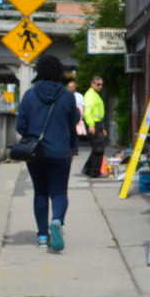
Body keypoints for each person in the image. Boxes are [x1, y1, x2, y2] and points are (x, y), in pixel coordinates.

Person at [15, 55, 79, 251]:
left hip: (35, 153)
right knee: (59, 191)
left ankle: (43, 235)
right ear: (59, 72)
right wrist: (71, 147)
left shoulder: (29, 95)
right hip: (60, 152)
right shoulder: (67, 96)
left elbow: (21, 126)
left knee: (40, 191)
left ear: (39, 72)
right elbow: (73, 124)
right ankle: (57, 220)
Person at [81, 75, 106, 178]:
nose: (100, 86)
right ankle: (94, 171)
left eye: (101, 84)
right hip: (94, 124)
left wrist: (102, 127)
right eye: (98, 84)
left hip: (98, 124)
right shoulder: (90, 95)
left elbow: (98, 112)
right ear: (92, 84)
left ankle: (88, 168)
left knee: (97, 148)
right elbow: (87, 112)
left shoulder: (95, 94)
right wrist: (91, 125)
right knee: (98, 149)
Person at [67, 80, 86, 157]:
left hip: (76, 115)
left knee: (76, 133)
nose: (69, 88)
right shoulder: (66, 95)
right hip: (69, 115)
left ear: (75, 88)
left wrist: (81, 117)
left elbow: (82, 106)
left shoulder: (79, 96)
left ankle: (75, 149)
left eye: (71, 87)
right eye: (69, 87)